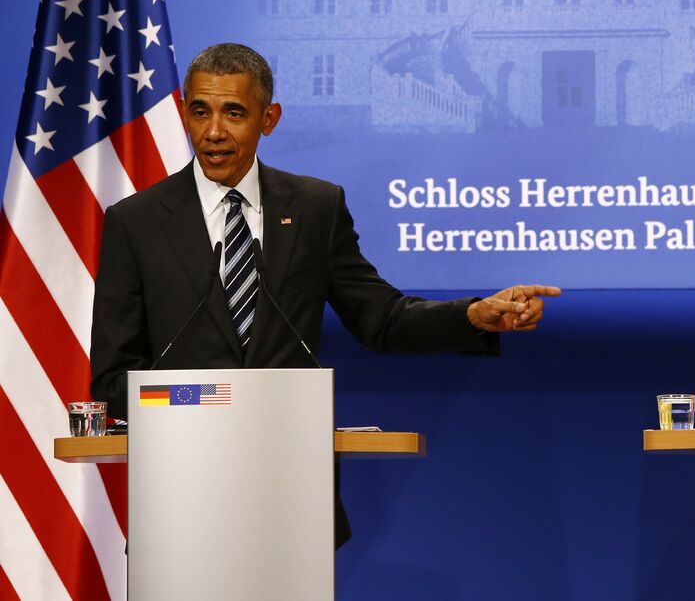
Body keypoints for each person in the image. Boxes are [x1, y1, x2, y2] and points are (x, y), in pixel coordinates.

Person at [90, 42, 560, 548]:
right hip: (180, 497)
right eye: (200, 112)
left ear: (269, 119)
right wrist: (205, 400)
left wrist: (472, 315)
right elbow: (114, 376)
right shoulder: (134, 223)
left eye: (234, 113)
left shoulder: (316, 208)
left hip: (292, 494)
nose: (214, 132)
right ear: (184, 113)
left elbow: (381, 319)